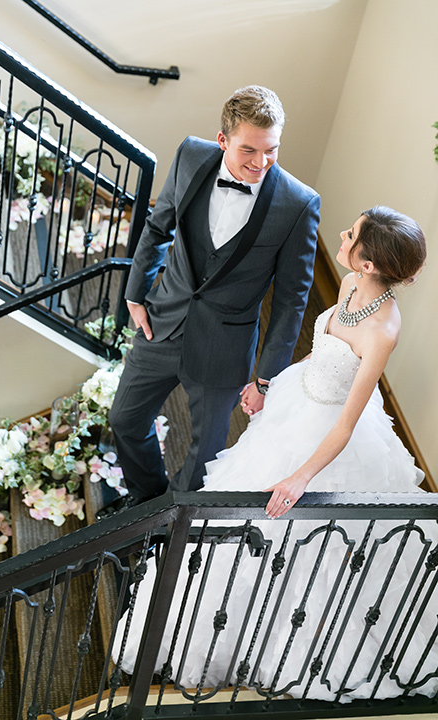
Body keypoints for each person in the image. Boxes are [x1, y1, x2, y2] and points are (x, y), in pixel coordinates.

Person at [112, 206, 438, 701]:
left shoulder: (382, 331)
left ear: (370, 264)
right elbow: (323, 350)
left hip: (326, 436)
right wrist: (270, 384)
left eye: (351, 235)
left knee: (287, 544)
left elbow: (347, 423)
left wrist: (300, 477)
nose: (343, 235)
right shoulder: (352, 283)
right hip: (297, 403)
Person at [102, 85, 321, 511]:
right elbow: (158, 224)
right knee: (124, 420)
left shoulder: (299, 203)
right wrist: (136, 293)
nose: (261, 163)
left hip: (226, 345)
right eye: (249, 151)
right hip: (163, 321)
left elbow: (293, 301)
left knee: (204, 457)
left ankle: (168, 524)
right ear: (223, 140)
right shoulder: (190, 156)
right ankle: (146, 499)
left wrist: (265, 379)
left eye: (272, 150)